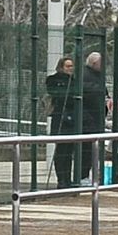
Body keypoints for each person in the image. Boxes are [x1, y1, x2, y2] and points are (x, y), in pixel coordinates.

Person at [45, 56, 80, 187]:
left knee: (69, 150)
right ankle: (61, 179)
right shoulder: (53, 80)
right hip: (60, 118)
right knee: (61, 150)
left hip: (72, 119)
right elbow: (56, 94)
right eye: (68, 66)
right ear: (61, 67)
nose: (71, 69)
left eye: (72, 66)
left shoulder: (75, 81)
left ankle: (68, 178)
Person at [78, 51, 111, 186]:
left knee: (92, 150)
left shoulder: (98, 76)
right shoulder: (85, 75)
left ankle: (87, 175)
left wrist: (107, 99)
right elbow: (89, 92)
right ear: (94, 63)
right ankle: (82, 175)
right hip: (88, 119)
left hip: (96, 118)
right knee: (86, 149)